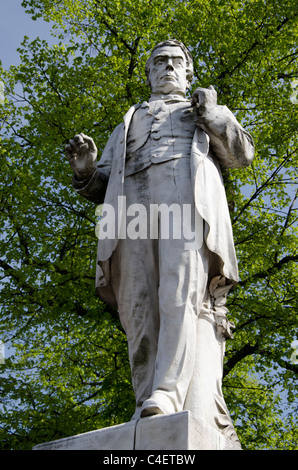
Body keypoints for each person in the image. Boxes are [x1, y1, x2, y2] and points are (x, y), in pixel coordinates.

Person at [65, 40, 254, 444]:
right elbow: (101, 183)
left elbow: (241, 154)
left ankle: (168, 391)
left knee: (177, 294)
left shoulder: (201, 111)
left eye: (176, 62)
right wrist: (84, 169)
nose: (167, 67)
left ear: (188, 73)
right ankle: (145, 397)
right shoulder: (127, 122)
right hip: (131, 208)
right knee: (136, 304)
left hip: (183, 200)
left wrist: (213, 114)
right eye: (159, 62)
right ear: (149, 73)